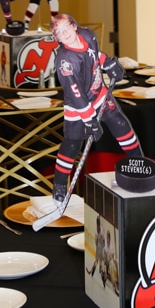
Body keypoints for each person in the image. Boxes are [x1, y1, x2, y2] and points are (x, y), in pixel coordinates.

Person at [50, 12, 143, 202]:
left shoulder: (88, 35)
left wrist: (109, 63)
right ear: (57, 39)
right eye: (59, 32)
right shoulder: (65, 61)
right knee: (72, 143)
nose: (65, 33)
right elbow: (76, 94)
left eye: (67, 27)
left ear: (74, 26)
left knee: (121, 125)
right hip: (78, 108)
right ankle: (59, 185)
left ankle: (139, 165)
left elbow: (94, 55)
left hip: (99, 94)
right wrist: (89, 119)